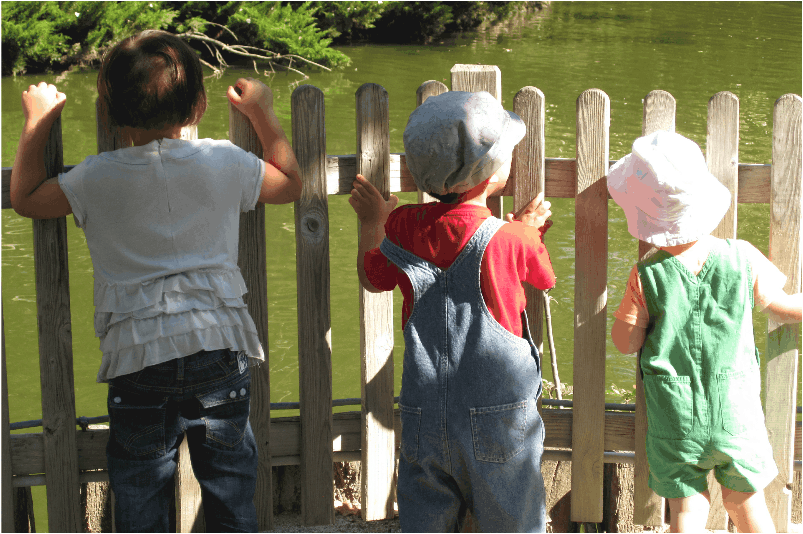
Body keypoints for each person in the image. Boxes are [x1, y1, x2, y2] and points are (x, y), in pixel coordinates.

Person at [10, 30, 302, 532]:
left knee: (141, 493)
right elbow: (291, 184)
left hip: (139, 355)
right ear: (199, 106)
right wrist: (262, 113)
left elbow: (27, 199)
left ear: (106, 112)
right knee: (231, 488)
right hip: (218, 346)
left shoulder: (95, 178)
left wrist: (37, 124)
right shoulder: (222, 161)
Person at [349, 90, 556, 532]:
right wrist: (530, 229)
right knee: (514, 520)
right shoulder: (510, 239)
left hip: (424, 412)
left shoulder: (401, 225)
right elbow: (543, 276)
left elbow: (374, 277)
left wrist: (372, 222)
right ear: (491, 175)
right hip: (499, 417)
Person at [608, 131, 801, 533]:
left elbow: (625, 343)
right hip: (736, 412)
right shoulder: (742, 257)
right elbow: (785, 308)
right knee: (746, 502)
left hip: (675, 414)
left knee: (687, 507)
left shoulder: (646, 274)